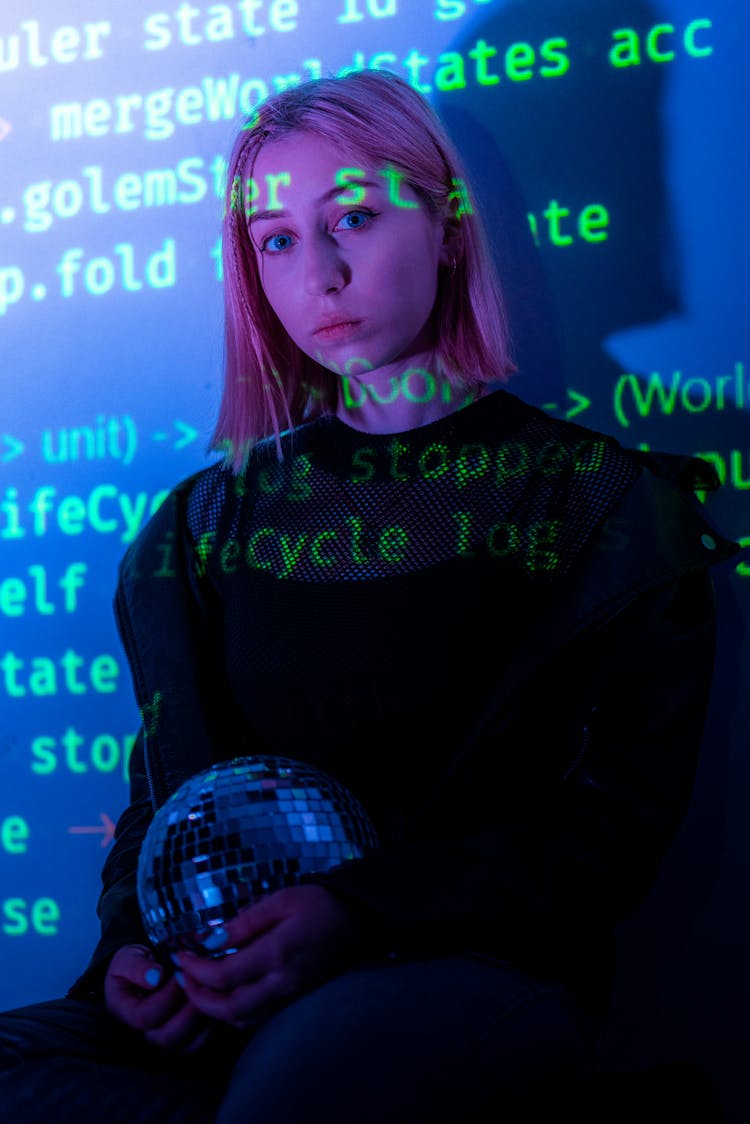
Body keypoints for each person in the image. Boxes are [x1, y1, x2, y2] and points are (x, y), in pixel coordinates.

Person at [0, 68, 740, 1124]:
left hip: (472, 972)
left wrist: (358, 911)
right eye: (278, 239)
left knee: (300, 1086)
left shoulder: (606, 503)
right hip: (228, 990)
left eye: (354, 216)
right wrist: (134, 947)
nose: (323, 272)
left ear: (445, 227)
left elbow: (609, 831)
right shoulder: (201, 526)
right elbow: (165, 798)